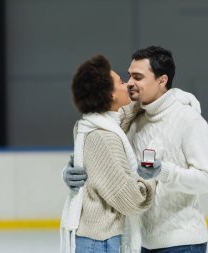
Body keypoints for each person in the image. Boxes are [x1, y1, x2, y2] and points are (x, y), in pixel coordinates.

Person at [65, 46, 208, 252]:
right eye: (128, 77)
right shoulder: (131, 118)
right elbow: (97, 139)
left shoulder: (189, 120)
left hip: (181, 243)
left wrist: (162, 171)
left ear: (162, 80)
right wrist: (72, 171)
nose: (129, 84)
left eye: (138, 77)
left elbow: (207, 180)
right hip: (140, 243)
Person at [60, 54, 155, 253]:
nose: (127, 84)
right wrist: (150, 177)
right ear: (110, 96)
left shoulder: (89, 124)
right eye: (121, 82)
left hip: (92, 238)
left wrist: (166, 96)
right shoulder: (104, 137)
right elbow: (131, 200)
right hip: (99, 242)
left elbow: (122, 115)